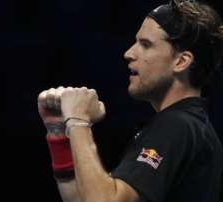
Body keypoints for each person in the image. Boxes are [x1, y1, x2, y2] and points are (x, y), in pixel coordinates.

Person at [37, 0, 223, 201]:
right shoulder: (187, 126)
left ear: (181, 61)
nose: (129, 53)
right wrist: (59, 134)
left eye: (145, 45)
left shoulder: (178, 125)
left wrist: (78, 122)